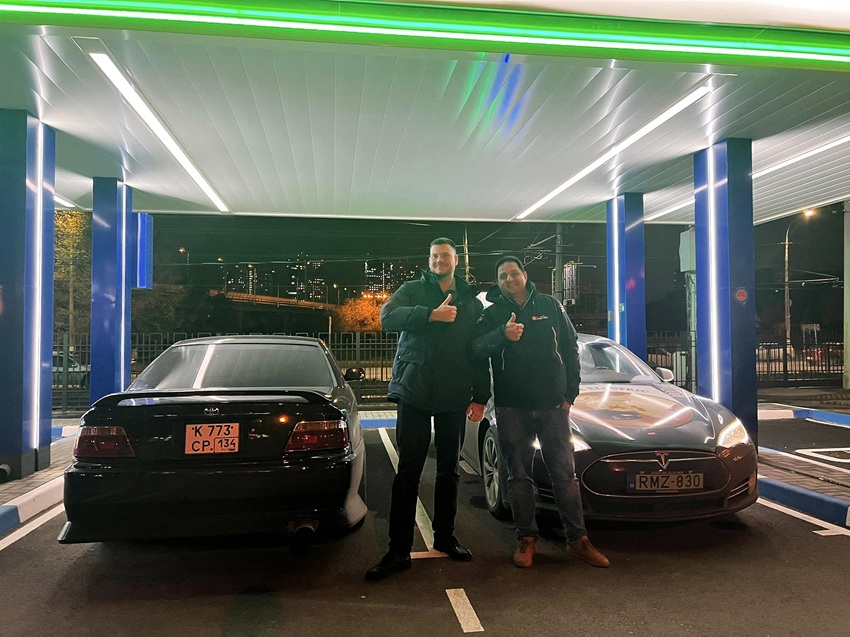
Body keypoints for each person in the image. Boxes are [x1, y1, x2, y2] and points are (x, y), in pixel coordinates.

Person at [365, 238, 489, 582]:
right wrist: (430, 315)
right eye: (435, 256)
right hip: (414, 392)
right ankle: (398, 550)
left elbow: (478, 351)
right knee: (408, 473)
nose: (439, 260)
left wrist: (481, 396)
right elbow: (387, 317)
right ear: (429, 259)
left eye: (445, 256)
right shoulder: (411, 290)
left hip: (453, 395)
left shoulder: (470, 301)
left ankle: (445, 538)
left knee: (449, 473)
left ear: (455, 260)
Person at [473, 256, 609, 569]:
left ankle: (577, 540)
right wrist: (501, 334)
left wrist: (570, 394)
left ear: (525, 275)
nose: (509, 279)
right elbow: (476, 349)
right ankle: (526, 539)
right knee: (518, 476)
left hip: (553, 406)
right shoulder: (492, 314)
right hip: (511, 406)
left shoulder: (550, 305)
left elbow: (570, 347)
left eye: (514, 273)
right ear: (498, 282)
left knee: (565, 475)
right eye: (503, 276)